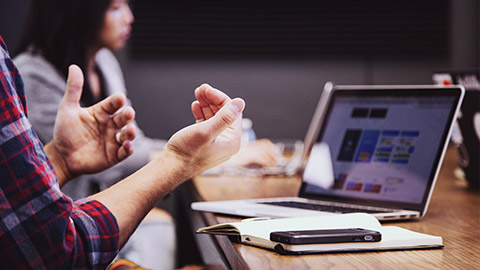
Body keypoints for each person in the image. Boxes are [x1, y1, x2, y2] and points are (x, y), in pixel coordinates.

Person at [0, 34, 245, 269]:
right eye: (115, 7)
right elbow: (56, 251)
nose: (129, 16)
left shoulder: (105, 62)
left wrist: (61, 160)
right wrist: (181, 160)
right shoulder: (30, 73)